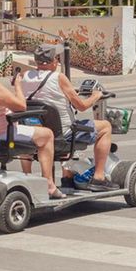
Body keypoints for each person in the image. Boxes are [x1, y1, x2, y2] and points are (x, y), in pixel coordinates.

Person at [0, 44, 61, 199]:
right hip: (1, 134)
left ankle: (27, 175)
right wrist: (18, 85)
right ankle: (49, 185)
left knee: (27, 132)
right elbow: (21, 106)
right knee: (47, 135)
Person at [18, 45, 113, 191]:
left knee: (58, 127)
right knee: (105, 126)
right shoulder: (59, 78)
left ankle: (64, 177)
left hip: (36, 130)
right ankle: (99, 177)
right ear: (54, 61)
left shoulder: (24, 76)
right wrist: (95, 96)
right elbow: (81, 106)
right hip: (63, 133)